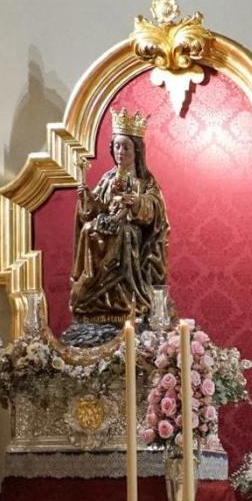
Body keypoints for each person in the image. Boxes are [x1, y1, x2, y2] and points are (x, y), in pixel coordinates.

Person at [68, 107, 169, 343]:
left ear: (136, 150)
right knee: (87, 229)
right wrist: (86, 198)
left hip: (132, 235)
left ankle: (125, 298)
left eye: (126, 146)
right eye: (117, 146)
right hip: (107, 225)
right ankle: (93, 294)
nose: (121, 151)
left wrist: (137, 203)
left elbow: (155, 210)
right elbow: (96, 210)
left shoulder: (145, 180)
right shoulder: (107, 178)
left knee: (124, 233)